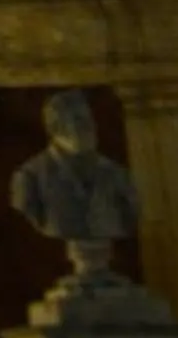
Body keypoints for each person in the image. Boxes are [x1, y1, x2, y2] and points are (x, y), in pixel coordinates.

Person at [11, 88, 141, 276]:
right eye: (79, 120)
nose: (90, 126)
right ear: (56, 127)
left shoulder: (116, 174)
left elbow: (130, 211)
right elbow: (28, 209)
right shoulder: (30, 177)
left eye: (90, 119)